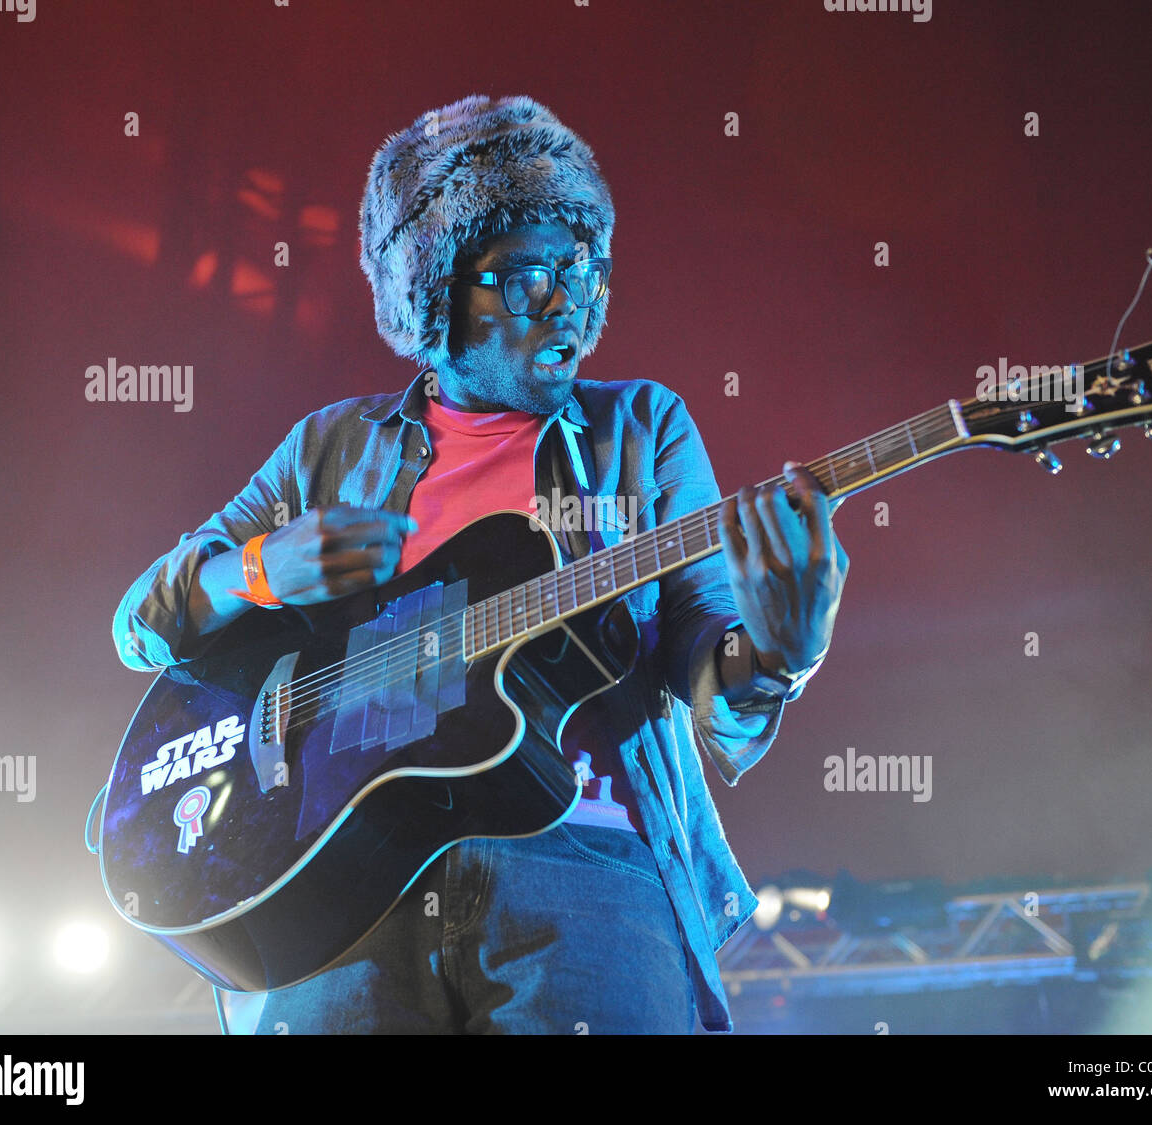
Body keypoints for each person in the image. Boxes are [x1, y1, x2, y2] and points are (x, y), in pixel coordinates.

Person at [113, 94, 849, 1034]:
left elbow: (713, 684)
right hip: (342, 881)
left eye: (579, 267)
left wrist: (781, 653)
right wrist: (257, 569)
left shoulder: (643, 429)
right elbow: (142, 624)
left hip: (583, 860)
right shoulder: (327, 450)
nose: (561, 301)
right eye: (522, 273)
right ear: (430, 292)